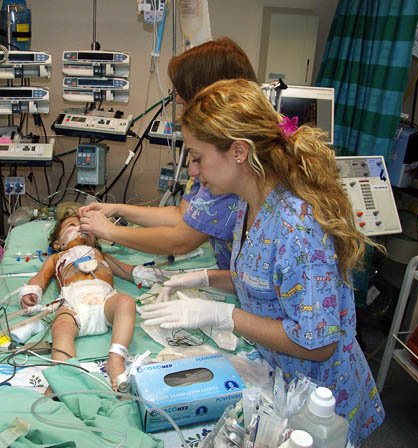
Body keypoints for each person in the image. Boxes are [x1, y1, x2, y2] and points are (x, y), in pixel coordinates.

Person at [140, 79, 384, 444]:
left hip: (321, 404)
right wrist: (202, 278)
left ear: (239, 151)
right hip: (281, 378)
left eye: (196, 156)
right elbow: (265, 279)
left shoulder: (297, 226)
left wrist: (225, 316)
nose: (192, 170)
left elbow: (318, 343)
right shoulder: (250, 202)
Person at [79, 37, 256, 271]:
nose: (178, 99)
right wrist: (118, 209)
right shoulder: (221, 164)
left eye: (183, 91)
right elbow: (182, 215)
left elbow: (181, 239)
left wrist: (110, 231)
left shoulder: (232, 172)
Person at [19, 213, 137, 391]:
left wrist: (149, 275)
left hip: (105, 300)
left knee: (126, 302)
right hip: (73, 304)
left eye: (85, 226)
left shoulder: (99, 254)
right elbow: (40, 278)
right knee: (61, 327)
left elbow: (128, 271)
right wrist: (31, 292)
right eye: (72, 225)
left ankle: (116, 358)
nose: (79, 228)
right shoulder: (57, 257)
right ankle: (64, 376)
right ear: (58, 244)